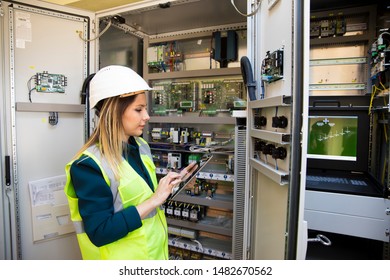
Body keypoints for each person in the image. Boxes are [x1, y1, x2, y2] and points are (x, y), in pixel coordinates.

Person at [64, 65, 196, 260]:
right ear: (114, 111)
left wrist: (169, 186)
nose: (147, 116)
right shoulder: (87, 166)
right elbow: (100, 232)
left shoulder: (140, 147)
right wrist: (155, 200)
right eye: (138, 109)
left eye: (145, 109)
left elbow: (141, 197)